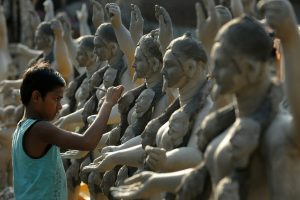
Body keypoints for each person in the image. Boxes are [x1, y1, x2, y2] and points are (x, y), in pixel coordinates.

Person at [12, 61, 123, 200]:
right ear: (36, 97)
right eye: (56, 99)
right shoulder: (40, 129)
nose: (60, 106)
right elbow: (86, 142)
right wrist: (108, 103)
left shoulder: (22, 127)